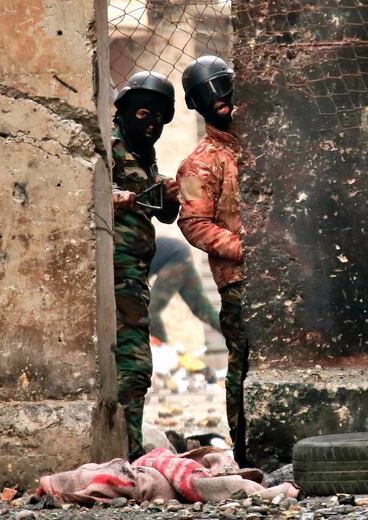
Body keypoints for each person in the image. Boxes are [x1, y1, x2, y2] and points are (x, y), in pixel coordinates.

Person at [176, 56, 249, 465]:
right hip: (239, 280)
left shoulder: (261, 144)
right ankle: (245, 446)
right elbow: (194, 224)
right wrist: (245, 250)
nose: (220, 100)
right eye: (208, 94)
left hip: (285, 274)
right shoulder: (197, 164)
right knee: (243, 363)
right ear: (196, 104)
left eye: (223, 88)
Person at [112, 70, 180, 461]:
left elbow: (163, 216)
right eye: (143, 115)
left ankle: (128, 455)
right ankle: (126, 457)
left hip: (134, 279)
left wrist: (167, 195)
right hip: (108, 279)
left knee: (135, 372)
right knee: (131, 368)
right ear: (123, 111)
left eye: (159, 119)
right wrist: (115, 196)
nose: (151, 124)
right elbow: (75, 190)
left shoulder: (144, 156)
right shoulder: (106, 146)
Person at [148, 236, 222, 344]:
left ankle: (162, 349)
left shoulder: (129, 256)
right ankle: (238, 334)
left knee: (150, 311)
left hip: (175, 259)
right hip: (183, 255)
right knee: (203, 309)